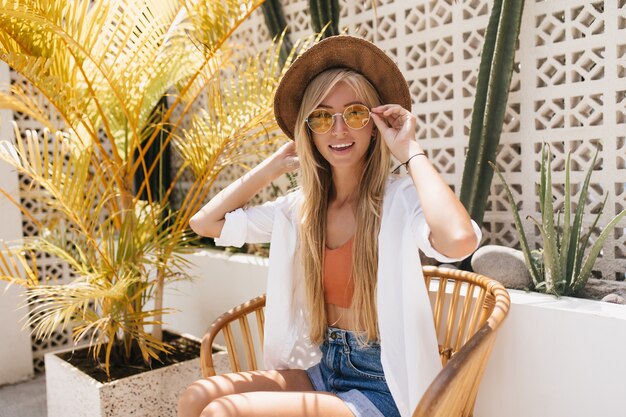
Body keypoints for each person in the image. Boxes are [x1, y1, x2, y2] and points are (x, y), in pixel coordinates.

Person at [178, 35, 481, 417]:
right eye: (321, 117)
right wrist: (273, 165)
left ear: (374, 125)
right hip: (324, 368)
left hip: (385, 385)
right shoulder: (300, 209)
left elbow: (458, 240)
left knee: (224, 414)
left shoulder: (398, 199)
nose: (338, 129)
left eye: (355, 113)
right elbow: (205, 223)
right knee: (197, 398)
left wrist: (409, 151)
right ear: (309, 130)